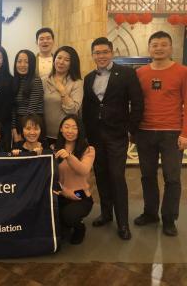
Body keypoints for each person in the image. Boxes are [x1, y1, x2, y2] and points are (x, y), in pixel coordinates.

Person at [83, 37, 143, 241]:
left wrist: (131, 129)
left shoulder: (126, 73)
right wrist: (86, 136)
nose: (101, 56)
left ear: (111, 53)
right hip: (96, 135)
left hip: (117, 134)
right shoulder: (89, 78)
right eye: (97, 52)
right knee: (100, 175)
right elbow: (88, 108)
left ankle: (123, 223)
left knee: (117, 177)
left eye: (104, 52)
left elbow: (137, 102)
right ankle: (106, 214)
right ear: (93, 55)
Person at [135, 31, 187, 237]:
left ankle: (169, 218)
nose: (159, 48)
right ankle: (150, 213)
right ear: (149, 48)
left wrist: (185, 133)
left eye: (163, 44)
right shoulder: (139, 73)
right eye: (154, 44)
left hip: (172, 133)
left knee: (172, 178)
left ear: (171, 48)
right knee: (147, 176)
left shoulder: (182, 71)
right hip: (144, 132)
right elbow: (135, 104)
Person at [53, 115, 95, 245]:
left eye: (74, 128)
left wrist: (69, 156)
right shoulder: (54, 148)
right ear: (61, 129)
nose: (70, 131)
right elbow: (51, 175)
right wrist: (64, 192)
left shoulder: (89, 150)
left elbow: (83, 170)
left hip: (80, 193)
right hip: (61, 193)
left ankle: (79, 227)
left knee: (70, 216)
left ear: (80, 131)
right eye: (66, 127)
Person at [43, 46, 83, 144]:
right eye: (59, 57)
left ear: (72, 64)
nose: (61, 62)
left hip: (67, 135)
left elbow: (73, 110)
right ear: (54, 59)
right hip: (43, 134)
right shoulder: (44, 80)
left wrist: (62, 91)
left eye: (66, 60)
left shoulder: (76, 83)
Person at [11, 49, 44, 143]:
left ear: (32, 64)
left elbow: (31, 110)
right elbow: (13, 108)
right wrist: (14, 131)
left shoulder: (36, 81)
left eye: (26, 62)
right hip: (19, 124)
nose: (22, 65)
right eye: (19, 61)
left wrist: (23, 132)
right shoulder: (15, 81)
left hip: (33, 126)